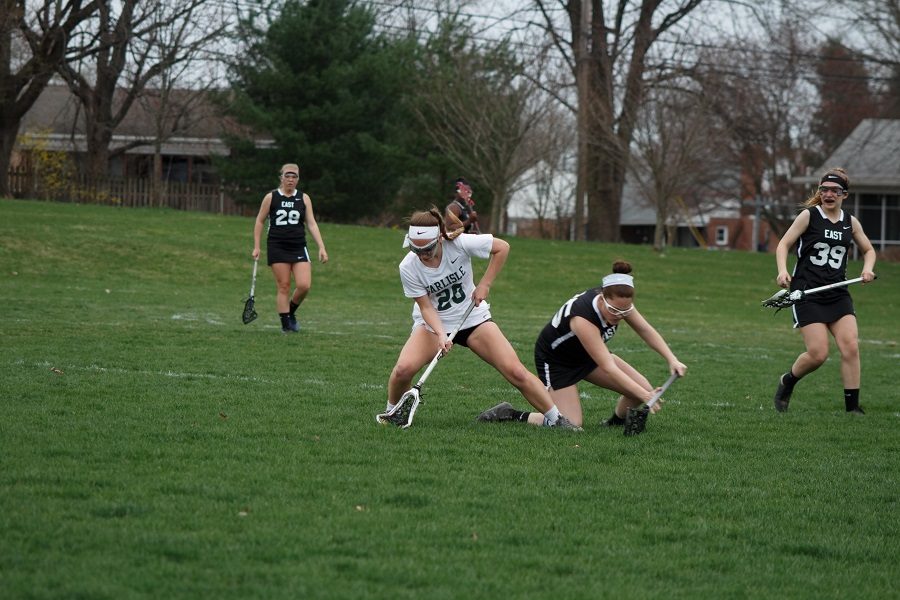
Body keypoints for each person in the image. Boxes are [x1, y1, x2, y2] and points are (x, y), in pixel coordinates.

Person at [385, 207, 579, 429]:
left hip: (473, 318)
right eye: (416, 249)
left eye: (427, 249)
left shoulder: (459, 244)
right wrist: (441, 334)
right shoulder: (408, 266)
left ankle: (557, 420)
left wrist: (485, 284)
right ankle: (393, 413)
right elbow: (426, 307)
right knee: (403, 370)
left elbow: (502, 248)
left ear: (439, 238)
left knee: (515, 371)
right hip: (432, 325)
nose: (422, 255)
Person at [476, 261, 687, 429]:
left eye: (625, 312)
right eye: (614, 311)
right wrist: (646, 395)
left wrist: (671, 359)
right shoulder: (583, 317)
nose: (619, 317)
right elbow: (608, 367)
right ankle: (511, 414)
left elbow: (645, 330)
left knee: (640, 389)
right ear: (602, 298)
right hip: (557, 362)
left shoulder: (620, 303)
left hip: (587, 356)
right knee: (571, 424)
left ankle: (613, 423)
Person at [772, 167, 876, 414]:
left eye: (835, 191)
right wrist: (782, 270)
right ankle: (788, 381)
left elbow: (869, 250)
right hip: (807, 294)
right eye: (824, 190)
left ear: (844, 195)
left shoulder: (850, 222)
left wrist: (867, 269)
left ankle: (852, 408)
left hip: (838, 293)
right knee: (818, 354)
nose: (829, 194)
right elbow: (784, 244)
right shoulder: (809, 216)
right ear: (820, 192)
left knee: (850, 346)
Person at [252, 163, 328, 333]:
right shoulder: (271, 197)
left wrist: (321, 247)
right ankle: (286, 325)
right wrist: (257, 246)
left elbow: (311, 223)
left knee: (304, 285)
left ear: (298, 179)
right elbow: (259, 221)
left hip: (298, 246)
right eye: (288, 176)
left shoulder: (304, 198)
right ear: (281, 177)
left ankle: (290, 312)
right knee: (284, 285)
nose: (291, 179)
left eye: (294, 176)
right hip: (277, 245)